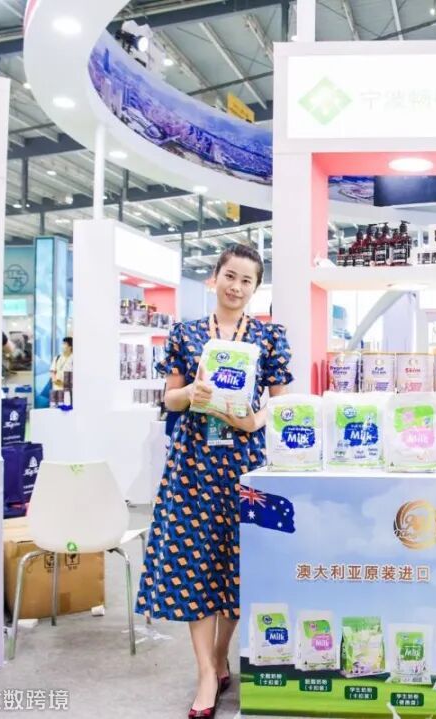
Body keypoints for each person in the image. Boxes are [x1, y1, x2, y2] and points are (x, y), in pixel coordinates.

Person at [135, 244, 292, 719]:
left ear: (255, 288)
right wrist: (189, 391)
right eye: (230, 276)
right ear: (215, 277)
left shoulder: (269, 336)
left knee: (241, 564)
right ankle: (206, 672)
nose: (236, 287)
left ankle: (222, 655)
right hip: (193, 463)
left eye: (246, 280)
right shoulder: (184, 333)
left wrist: (253, 421)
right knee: (194, 564)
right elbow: (170, 399)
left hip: (245, 461)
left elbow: (282, 403)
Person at [50, 337, 73, 405]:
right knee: (55, 408)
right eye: (62, 343)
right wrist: (54, 380)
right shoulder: (57, 358)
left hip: (69, 390)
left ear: (70, 347)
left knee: (68, 407)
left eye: (64, 344)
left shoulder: (74, 358)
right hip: (56, 389)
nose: (62, 346)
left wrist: (64, 384)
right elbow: (52, 371)